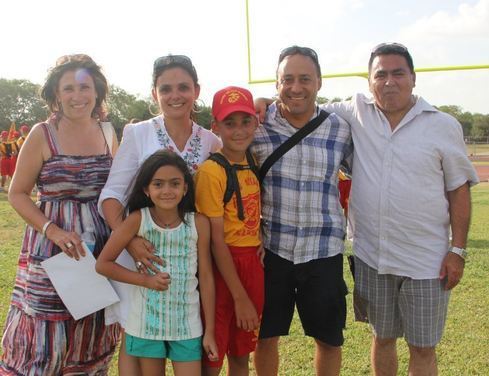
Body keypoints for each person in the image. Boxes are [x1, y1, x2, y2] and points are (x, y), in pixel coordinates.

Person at [256, 42, 479, 376]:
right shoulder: (270, 126)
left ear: (413, 79)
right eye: (381, 75)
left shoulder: (432, 124)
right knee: (376, 338)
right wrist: (260, 104)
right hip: (340, 254)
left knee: (401, 345)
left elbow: (458, 188)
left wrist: (458, 249)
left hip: (394, 256)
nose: (389, 82)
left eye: (398, 73)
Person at [98, 54, 221, 376]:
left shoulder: (211, 142)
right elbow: (112, 195)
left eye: (183, 87)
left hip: (188, 256)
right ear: (155, 93)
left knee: (187, 338)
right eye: (166, 88)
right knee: (136, 336)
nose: (175, 95)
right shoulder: (138, 133)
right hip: (142, 255)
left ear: (196, 90)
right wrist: (130, 241)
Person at [0, 54, 120, 375]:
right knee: (46, 334)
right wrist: (52, 230)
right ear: (56, 94)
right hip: (53, 251)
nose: (77, 96)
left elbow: (116, 190)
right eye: (68, 88)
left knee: (91, 328)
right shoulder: (42, 134)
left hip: (98, 250)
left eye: (84, 87)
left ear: (97, 92)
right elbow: (18, 193)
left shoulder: (108, 133)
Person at [251, 46, 353, 376]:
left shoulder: (339, 129)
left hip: (323, 251)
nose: (296, 87)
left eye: (305, 79)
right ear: (276, 83)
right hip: (272, 251)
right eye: (288, 79)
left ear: (319, 82)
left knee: (328, 340)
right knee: (265, 338)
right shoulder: (257, 128)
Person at [96, 150, 218, 375]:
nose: (167, 191)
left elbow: (207, 278)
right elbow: (103, 264)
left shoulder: (199, 223)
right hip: (146, 325)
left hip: (186, 325)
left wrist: (210, 330)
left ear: (185, 188)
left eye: (175, 183)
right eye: (158, 184)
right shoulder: (137, 220)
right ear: (146, 189)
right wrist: (145, 280)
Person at [195, 86, 263, 375]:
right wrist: (239, 296)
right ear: (215, 127)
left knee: (242, 351)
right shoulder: (211, 171)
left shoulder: (253, 159)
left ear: (256, 123)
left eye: (246, 121)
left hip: (252, 264)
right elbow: (215, 242)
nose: (238, 131)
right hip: (222, 267)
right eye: (229, 123)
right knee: (213, 355)